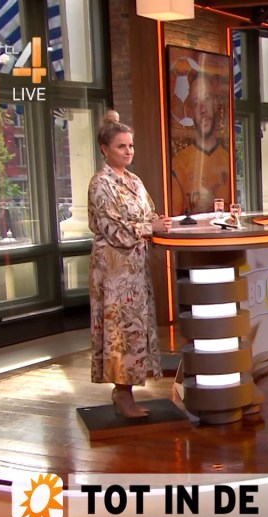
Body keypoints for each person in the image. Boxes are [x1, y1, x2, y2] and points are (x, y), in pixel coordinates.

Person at [88, 110, 171, 418]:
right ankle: (122, 393)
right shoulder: (101, 184)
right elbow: (114, 230)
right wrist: (149, 228)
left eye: (131, 146)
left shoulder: (134, 181)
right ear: (105, 149)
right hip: (114, 270)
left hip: (135, 267)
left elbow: (148, 214)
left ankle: (126, 390)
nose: (128, 151)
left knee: (136, 328)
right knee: (120, 329)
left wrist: (159, 223)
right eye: (121, 146)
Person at [171, 75, 230, 216]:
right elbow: (174, 220)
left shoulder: (229, 161)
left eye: (207, 99)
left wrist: (212, 203)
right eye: (196, 103)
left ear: (215, 104)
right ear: (191, 112)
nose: (202, 109)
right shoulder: (178, 165)